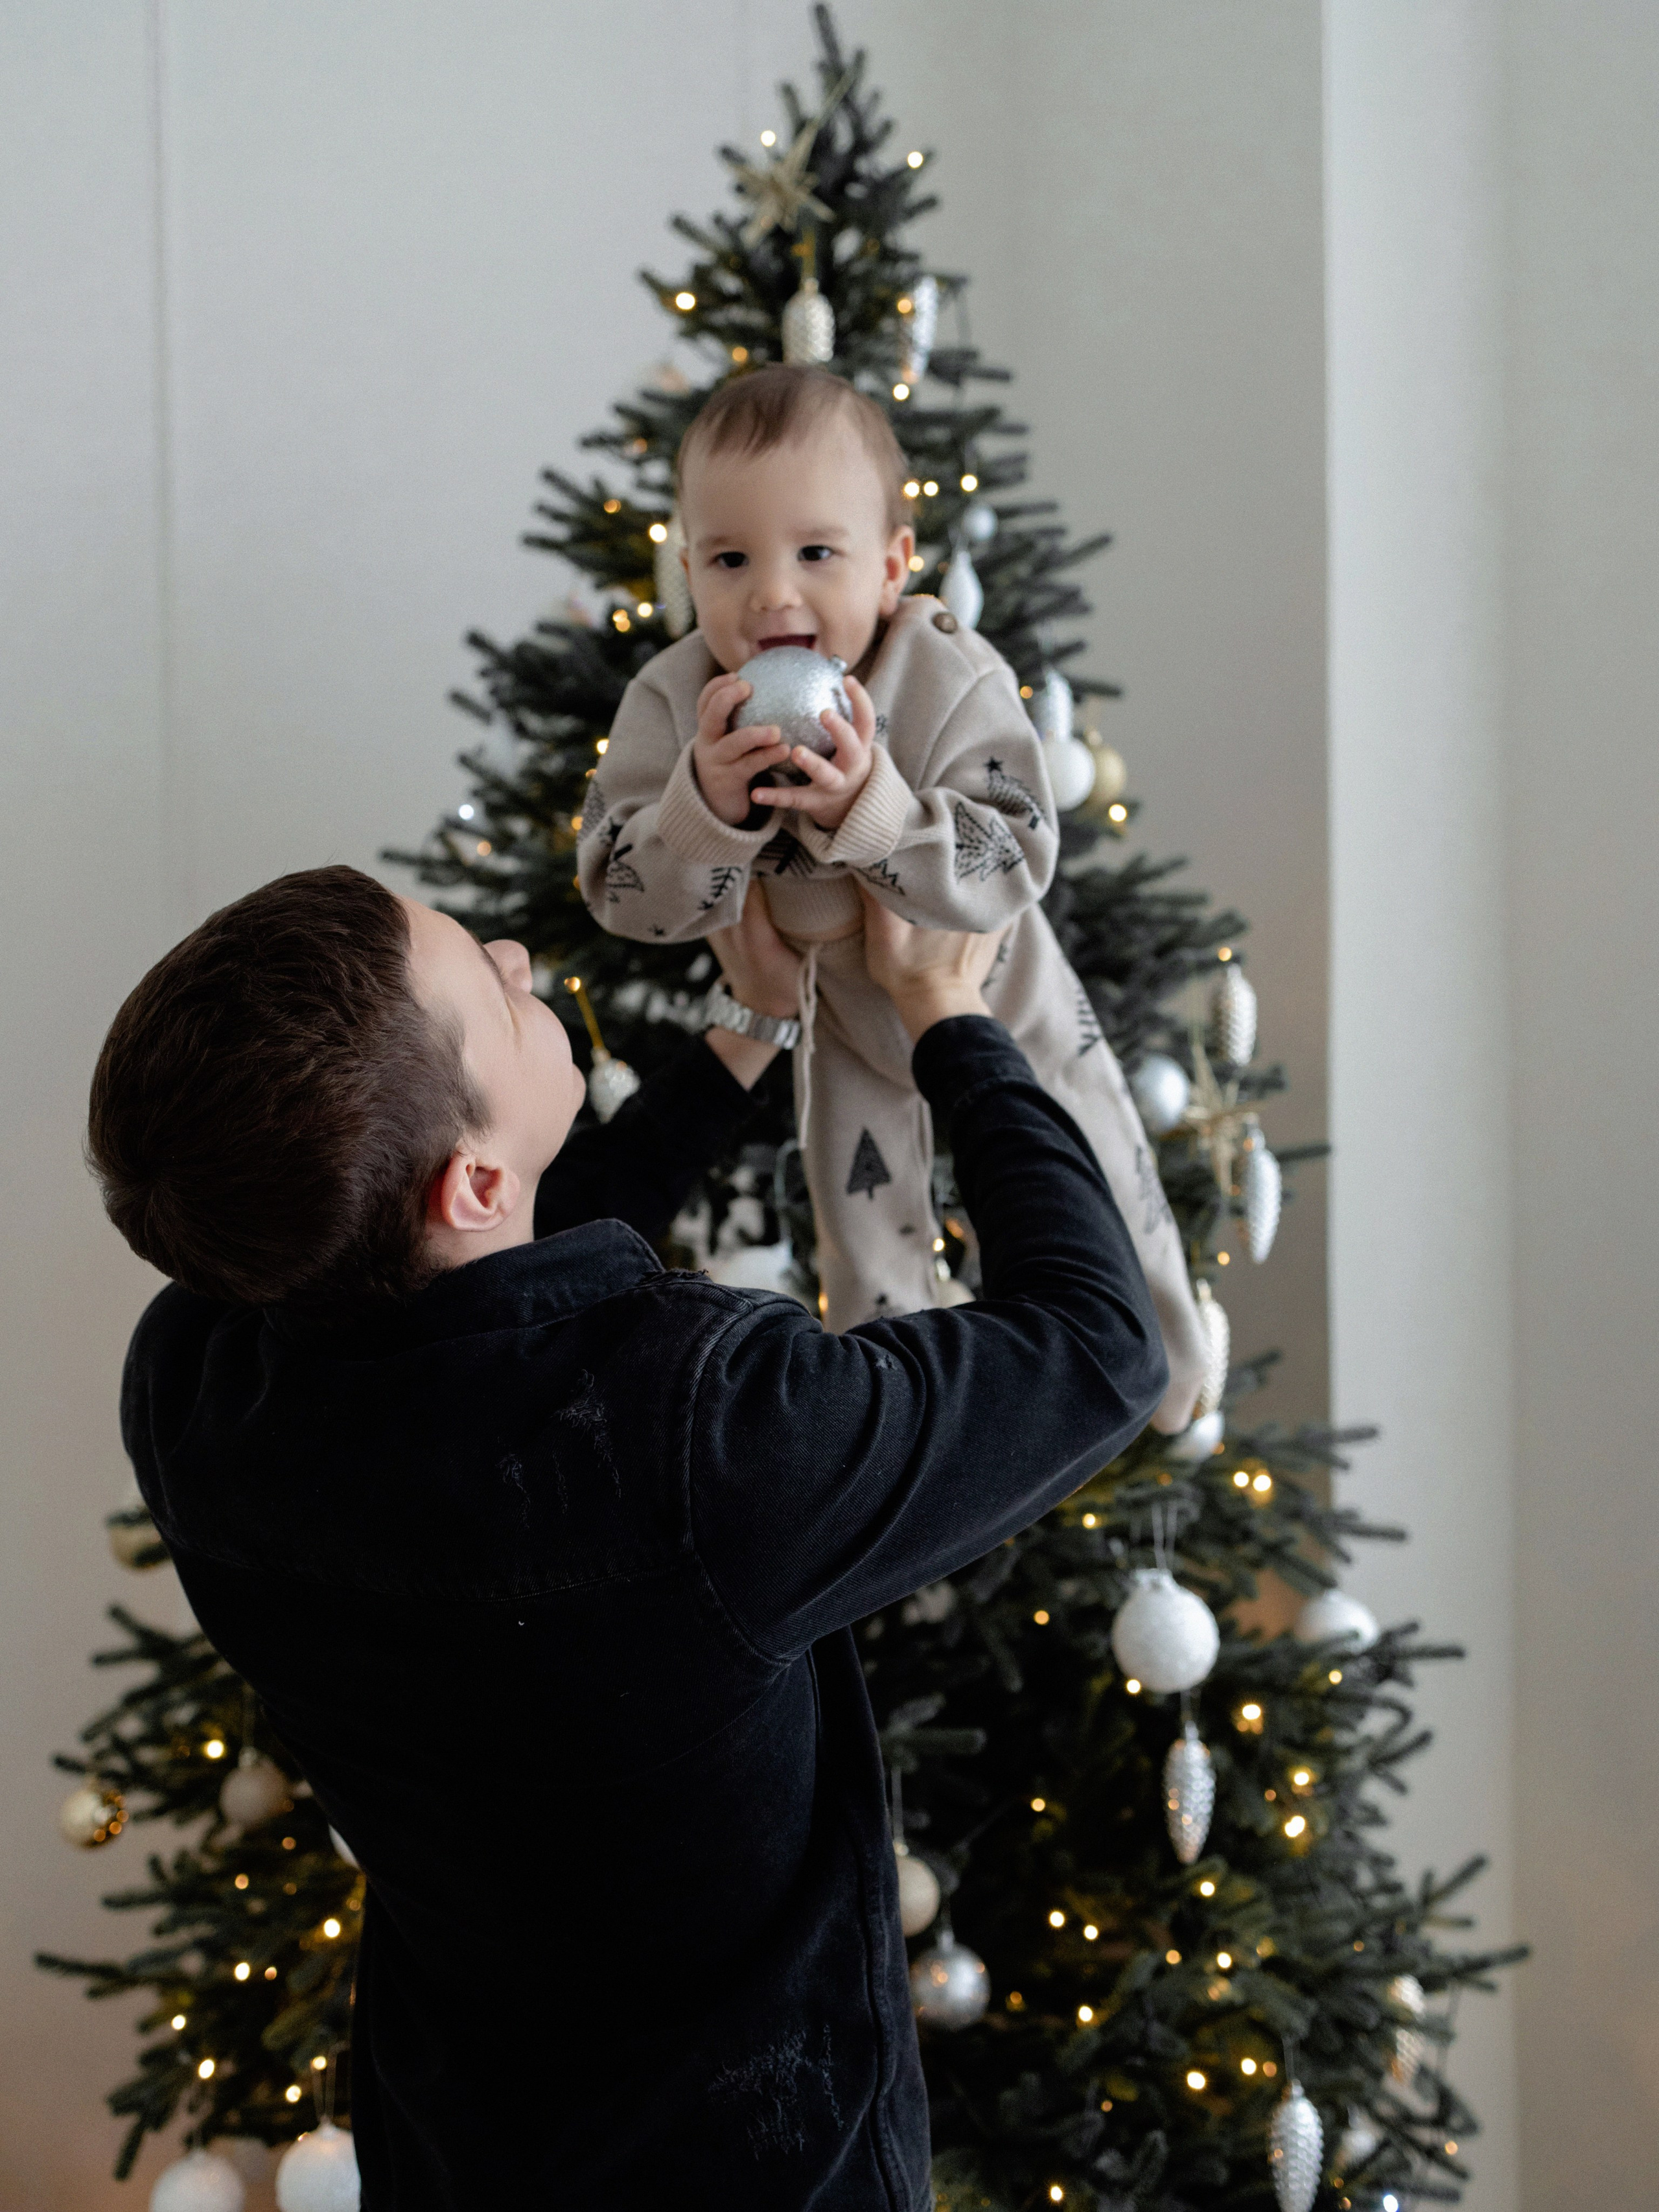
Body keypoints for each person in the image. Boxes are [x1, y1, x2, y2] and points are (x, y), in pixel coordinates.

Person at [89, 862, 1167, 2209]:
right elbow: (1094, 1347)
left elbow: (479, 1279)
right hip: (751, 2172)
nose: (513, 955)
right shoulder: (704, 1438)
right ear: (469, 1178)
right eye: (483, 985)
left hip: (465, 2147)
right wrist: (953, 1016)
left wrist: (747, 1033)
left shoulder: (198, 1372)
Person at [578, 362, 1203, 1431]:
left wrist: (875, 808)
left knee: (1091, 1152)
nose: (774, 594)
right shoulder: (675, 701)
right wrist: (705, 808)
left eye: (817, 553)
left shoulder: (947, 672)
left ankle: (1173, 1369)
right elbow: (620, 889)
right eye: (731, 559)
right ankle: (909, 1444)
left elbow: (1019, 853)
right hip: (838, 1022)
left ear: (892, 566)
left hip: (995, 986)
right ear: (688, 571)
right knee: (864, 1246)